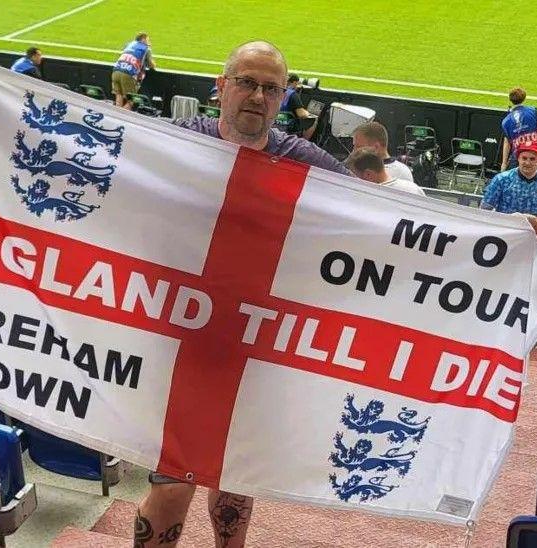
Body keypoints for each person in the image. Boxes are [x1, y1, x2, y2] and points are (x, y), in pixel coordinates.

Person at [146, 41, 352, 548]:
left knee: (236, 477)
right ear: (220, 87)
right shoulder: (173, 143)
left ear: (283, 98)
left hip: (255, 345)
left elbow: (387, 217)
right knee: (171, 481)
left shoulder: (303, 160)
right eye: (246, 82)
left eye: (271, 88)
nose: (257, 96)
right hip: (178, 341)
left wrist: (498, 236)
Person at [480, 141, 537, 226]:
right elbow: (485, 208)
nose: (527, 163)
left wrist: (534, 222)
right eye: (524, 158)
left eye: (532, 159)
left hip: (534, 233)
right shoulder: (502, 179)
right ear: (518, 158)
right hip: (504, 231)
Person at [500, 87, 537, 171]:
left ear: (510, 100)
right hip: (536, 152)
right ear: (524, 98)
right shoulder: (533, 110)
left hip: (519, 156)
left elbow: (507, 143)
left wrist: (504, 163)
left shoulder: (505, 121)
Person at [346, 147, 425, 196]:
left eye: (355, 176)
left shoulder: (367, 197)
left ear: (368, 174)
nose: (354, 180)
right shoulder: (414, 190)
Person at [111, 32, 156, 110]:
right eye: (147, 40)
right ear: (143, 39)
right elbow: (151, 65)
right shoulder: (145, 48)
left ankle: (115, 117)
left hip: (116, 71)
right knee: (131, 100)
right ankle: (121, 117)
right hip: (128, 73)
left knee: (119, 95)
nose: (148, 42)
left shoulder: (129, 44)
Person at [279, 74, 317, 139]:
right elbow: (302, 114)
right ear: (295, 82)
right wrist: (308, 113)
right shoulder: (292, 94)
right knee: (314, 120)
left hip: (273, 123)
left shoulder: (277, 90)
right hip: (287, 126)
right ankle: (303, 143)